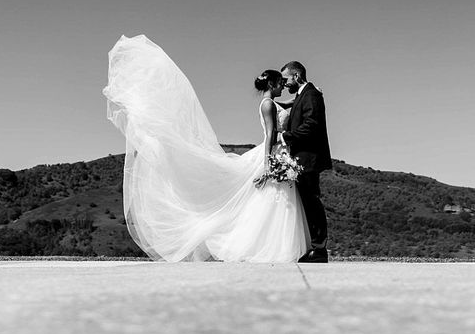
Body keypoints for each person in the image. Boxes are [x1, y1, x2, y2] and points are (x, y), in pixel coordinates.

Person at [103, 35, 309, 262]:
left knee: (271, 199)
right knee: (271, 198)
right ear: (271, 84)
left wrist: (305, 92)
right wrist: (268, 163)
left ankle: (273, 245)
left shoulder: (272, 102)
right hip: (270, 153)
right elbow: (271, 134)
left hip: (278, 152)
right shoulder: (269, 104)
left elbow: (291, 103)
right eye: (281, 83)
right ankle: (270, 246)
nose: (284, 86)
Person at [280, 61, 332, 263]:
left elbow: (312, 124)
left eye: (286, 79)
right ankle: (313, 247)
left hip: (308, 158)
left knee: (312, 202)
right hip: (301, 157)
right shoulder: (304, 94)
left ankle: (319, 249)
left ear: (297, 76)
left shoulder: (311, 94)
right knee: (307, 203)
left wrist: (287, 137)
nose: (285, 84)